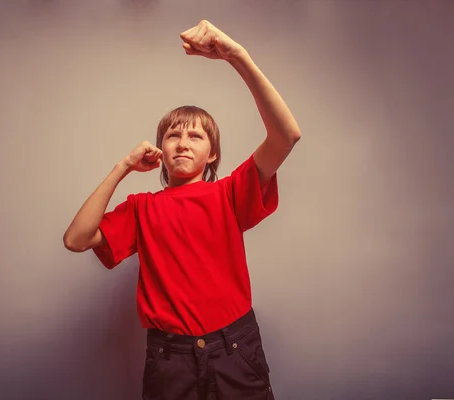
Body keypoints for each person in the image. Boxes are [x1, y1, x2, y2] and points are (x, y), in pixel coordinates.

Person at [63, 20, 301, 400]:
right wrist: (123, 166)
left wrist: (236, 55)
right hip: (169, 359)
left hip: (235, 350)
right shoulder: (141, 208)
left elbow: (287, 135)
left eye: (196, 135)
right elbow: (76, 239)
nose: (182, 143)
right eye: (172, 135)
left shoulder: (229, 193)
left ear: (213, 153)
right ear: (160, 151)